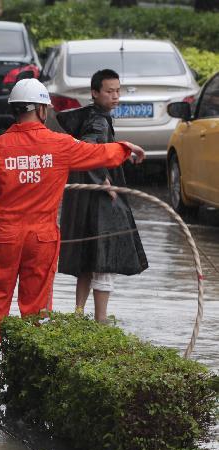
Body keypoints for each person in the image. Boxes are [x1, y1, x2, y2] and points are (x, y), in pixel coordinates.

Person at [0, 78, 146, 395]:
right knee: (37, 310)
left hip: (3, 238)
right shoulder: (60, 145)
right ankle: (30, 383)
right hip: (41, 239)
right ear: (42, 110)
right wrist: (126, 148)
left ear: (15, 111)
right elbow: (97, 154)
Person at [56, 69, 148, 323]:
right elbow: (90, 149)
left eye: (118, 90)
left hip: (84, 199)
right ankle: (101, 319)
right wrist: (103, 180)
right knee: (105, 256)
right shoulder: (97, 121)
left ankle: (78, 313)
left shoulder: (93, 116)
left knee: (88, 257)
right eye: (109, 91)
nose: (115, 96)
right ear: (95, 93)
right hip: (99, 198)